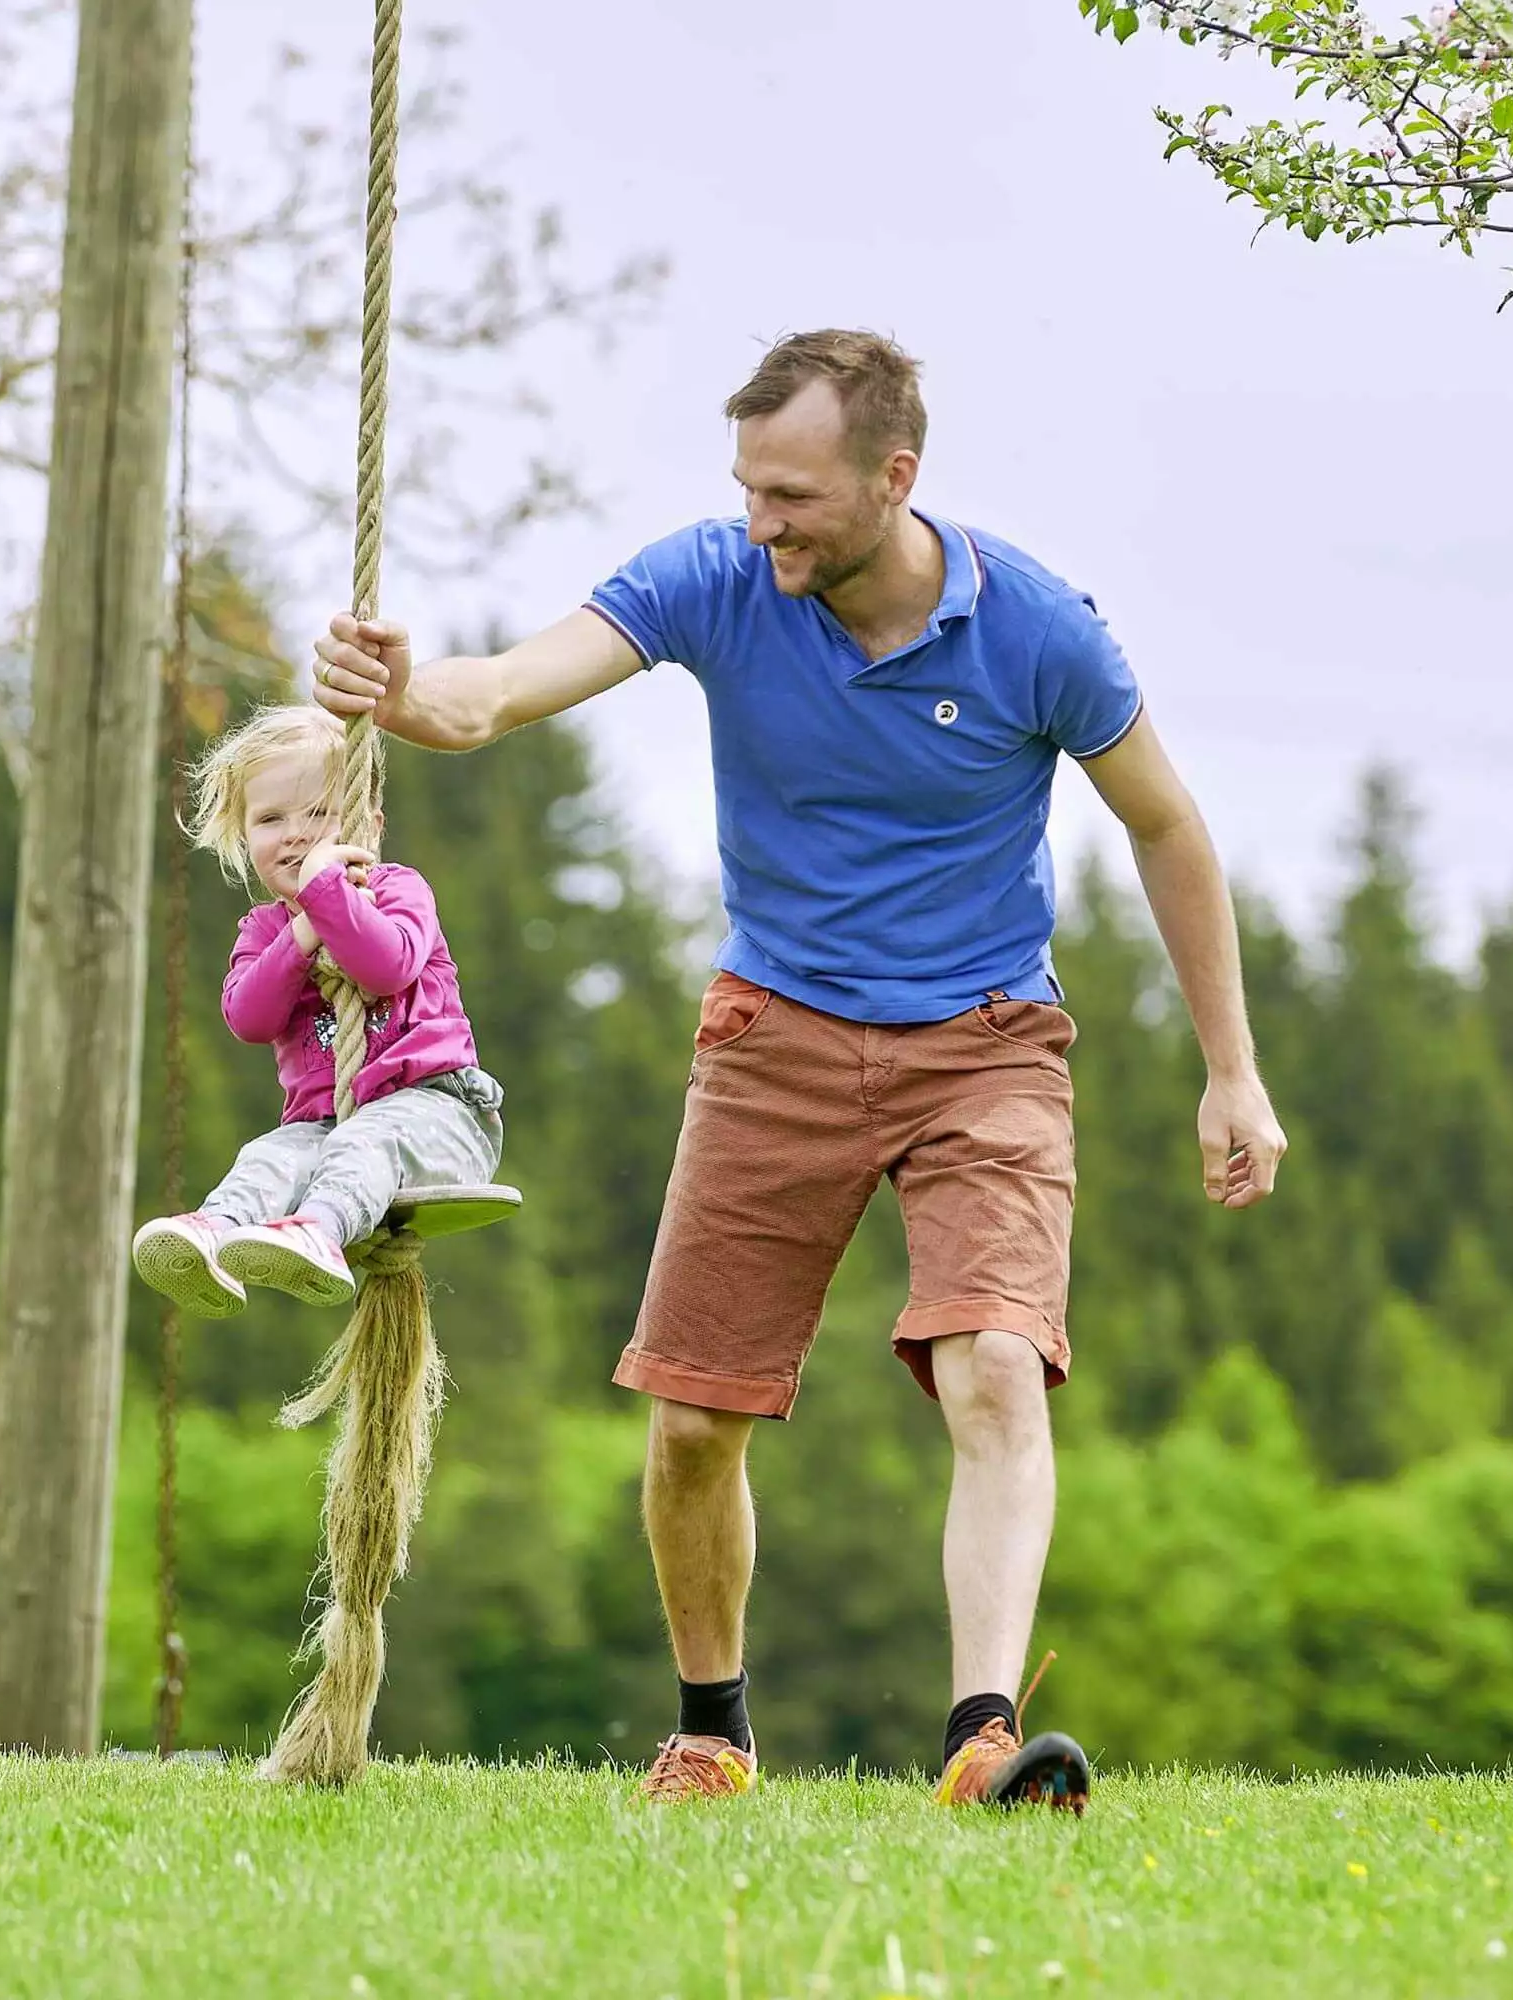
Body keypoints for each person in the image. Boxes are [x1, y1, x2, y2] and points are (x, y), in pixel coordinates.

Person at [310, 330, 1288, 1810]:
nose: (762, 521)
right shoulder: (715, 579)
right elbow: (494, 694)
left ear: (896, 476)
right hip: (774, 1033)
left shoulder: (1039, 630)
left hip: (986, 1045)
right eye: (749, 488)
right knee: (695, 1419)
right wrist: (396, 689)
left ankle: (982, 1739)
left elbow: (1168, 826)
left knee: (995, 1364)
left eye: (795, 496)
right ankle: (712, 1734)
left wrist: (1232, 1071)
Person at [129, 702, 506, 1317]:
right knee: (270, 1155)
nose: (295, 834)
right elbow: (249, 1018)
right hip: (328, 1127)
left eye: (318, 814)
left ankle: (319, 1231)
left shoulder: (396, 890)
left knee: (367, 1142)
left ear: (366, 827)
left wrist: (326, 894)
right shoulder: (264, 930)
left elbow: (387, 967)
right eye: (270, 819)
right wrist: (301, 933)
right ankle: (216, 1233)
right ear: (244, 835)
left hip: (441, 1114)